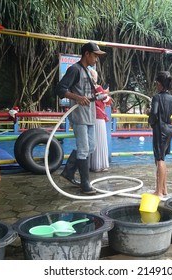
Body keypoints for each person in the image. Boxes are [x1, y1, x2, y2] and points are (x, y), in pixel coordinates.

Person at [55, 42, 106, 195]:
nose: (96, 59)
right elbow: (60, 89)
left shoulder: (87, 71)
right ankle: (85, 184)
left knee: (91, 147)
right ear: (87, 54)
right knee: (84, 149)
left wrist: (99, 96)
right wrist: (77, 97)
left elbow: (87, 93)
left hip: (89, 115)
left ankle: (69, 172)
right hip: (79, 116)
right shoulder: (74, 69)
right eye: (95, 55)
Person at [147, 71, 172, 197]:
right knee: (162, 158)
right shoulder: (171, 98)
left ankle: (158, 192)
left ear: (159, 83)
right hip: (169, 128)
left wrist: (148, 114)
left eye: (157, 83)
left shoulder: (157, 97)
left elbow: (154, 113)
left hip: (160, 129)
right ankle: (164, 189)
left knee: (160, 159)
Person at [88, 68, 112, 172]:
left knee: (92, 141)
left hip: (90, 116)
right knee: (100, 141)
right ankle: (99, 165)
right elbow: (107, 100)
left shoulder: (87, 88)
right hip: (99, 118)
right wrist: (106, 92)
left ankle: (92, 164)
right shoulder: (98, 88)